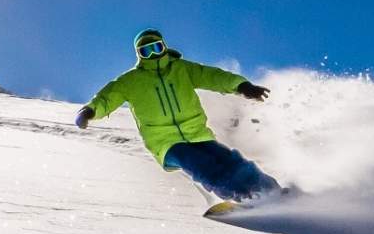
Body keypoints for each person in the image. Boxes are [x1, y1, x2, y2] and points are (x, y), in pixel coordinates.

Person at [75, 28, 283, 206]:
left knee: (230, 161)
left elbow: (213, 76)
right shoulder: (131, 80)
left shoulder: (182, 69)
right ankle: (244, 197)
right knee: (202, 165)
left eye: (156, 47)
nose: (153, 55)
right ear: (139, 55)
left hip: (198, 133)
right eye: (146, 51)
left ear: (164, 47)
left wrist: (241, 86)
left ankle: (269, 189)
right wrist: (89, 111)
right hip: (166, 142)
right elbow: (107, 97)